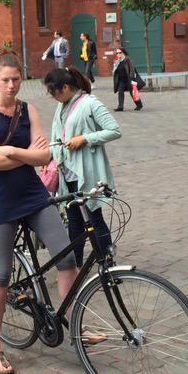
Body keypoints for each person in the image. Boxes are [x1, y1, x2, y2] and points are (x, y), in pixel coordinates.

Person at [0, 52, 78, 374]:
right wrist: (28, 156)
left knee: (67, 254)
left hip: (32, 192)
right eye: (5, 80)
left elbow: (45, 156)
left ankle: (75, 322)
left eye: (16, 79)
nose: (11, 85)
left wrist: (15, 152)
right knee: (1, 275)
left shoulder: (27, 109)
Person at [44, 67, 121, 266]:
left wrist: (85, 139)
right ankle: (74, 264)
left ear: (66, 87)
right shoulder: (61, 106)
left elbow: (114, 130)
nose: (52, 96)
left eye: (54, 91)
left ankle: (107, 263)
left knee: (94, 217)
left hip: (85, 173)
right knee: (75, 221)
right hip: (66, 174)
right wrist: (48, 159)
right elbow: (56, 137)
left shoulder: (89, 103)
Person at [112, 47, 143, 111]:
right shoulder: (118, 61)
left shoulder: (128, 59)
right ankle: (120, 107)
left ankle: (139, 104)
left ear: (123, 52)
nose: (118, 54)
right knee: (120, 92)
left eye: (120, 52)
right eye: (117, 53)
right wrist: (115, 65)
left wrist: (131, 78)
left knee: (132, 93)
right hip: (121, 80)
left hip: (128, 79)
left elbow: (132, 69)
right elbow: (115, 71)